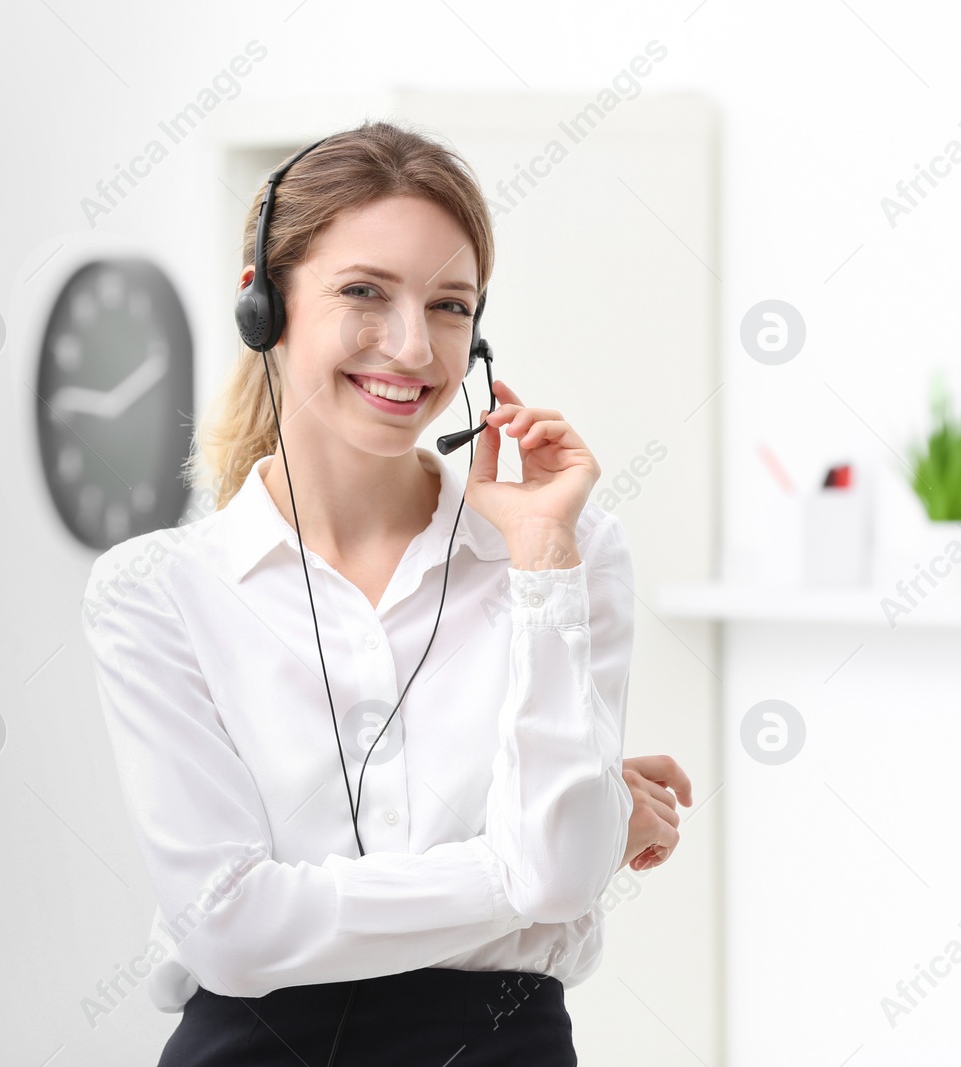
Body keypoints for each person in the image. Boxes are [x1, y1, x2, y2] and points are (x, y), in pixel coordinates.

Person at [80, 120, 693, 1065]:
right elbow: (230, 930)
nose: (413, 348)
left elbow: (564, 877)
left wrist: (539, 558)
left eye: (451, 305)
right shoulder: (156, 593)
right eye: (365, 292)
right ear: (263, 309)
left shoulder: (565, 550)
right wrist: (545, 854)